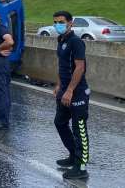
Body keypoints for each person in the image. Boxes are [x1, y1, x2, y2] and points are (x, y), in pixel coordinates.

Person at [52, 11, 90, 180]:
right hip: (65, 90)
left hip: (78, 92)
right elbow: (62, 66)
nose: (57, 25)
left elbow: (79, 68)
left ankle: (81, 167)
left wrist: (69, 90)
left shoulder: (76, 42)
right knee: (59, 122)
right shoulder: (61, 41)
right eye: (55, 22)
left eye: (61, 22)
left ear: (70, 23)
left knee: (79, 127)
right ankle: (73, 155)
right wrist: (60, 85)